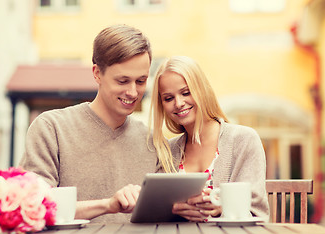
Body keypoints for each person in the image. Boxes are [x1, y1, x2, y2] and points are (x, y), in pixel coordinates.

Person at [19, 24, 158, 223]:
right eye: (122, 81)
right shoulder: (51, 128)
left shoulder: (151, 141)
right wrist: (108, 205)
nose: (133, 92)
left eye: (141, 81)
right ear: (97, 73)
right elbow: (33, 207)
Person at [149, 56, 269, 222]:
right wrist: (172, 210)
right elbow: (156, 215)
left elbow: (258, 214)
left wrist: (222, 208)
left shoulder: (244, 140)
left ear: (202, 90)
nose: (178, 103)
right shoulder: (167, 151)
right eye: (168, 98)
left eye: (186, 92)